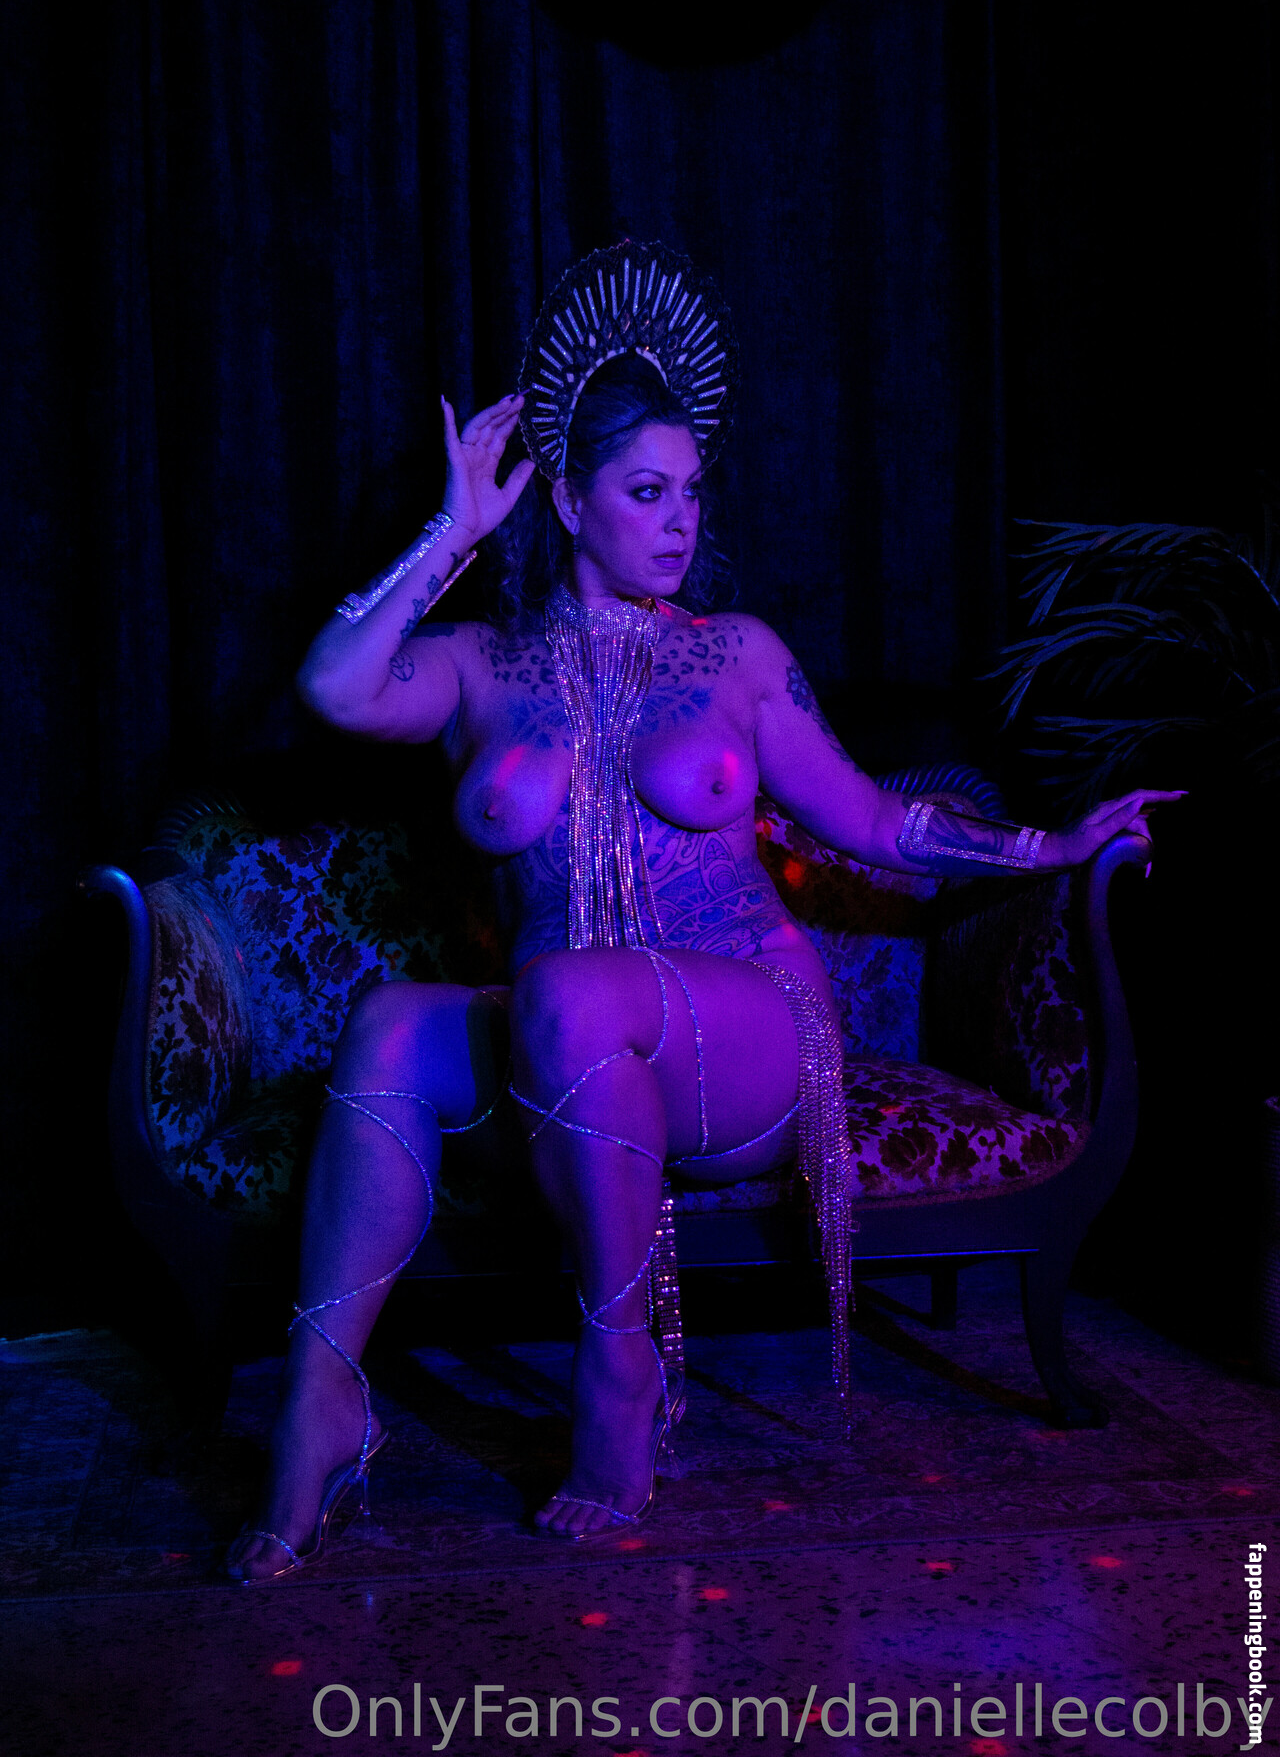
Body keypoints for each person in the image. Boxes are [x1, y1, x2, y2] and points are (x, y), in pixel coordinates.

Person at [227, 243, 1178, 1580]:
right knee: (391, 1024)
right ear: (567, 500)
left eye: (691, 491)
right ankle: (322, 1400)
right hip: (564, 1055)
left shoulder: (736, 654)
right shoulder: (483, 666)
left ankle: (620, 1372)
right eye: (646, 492)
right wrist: (453, 531)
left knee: (567, 994)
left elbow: (875, 821)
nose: (680, 522)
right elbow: (332, 686)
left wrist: (1050, 843)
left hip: (747, 1047)